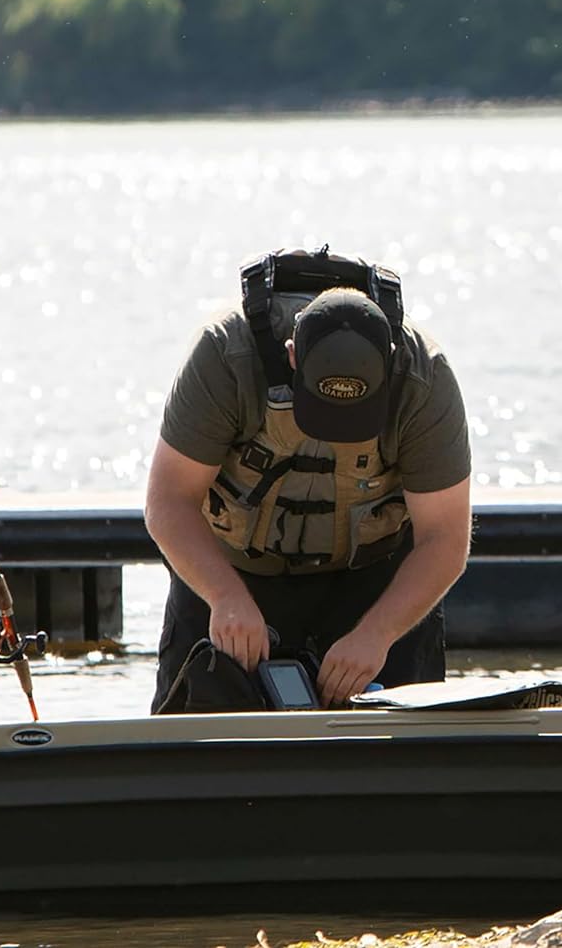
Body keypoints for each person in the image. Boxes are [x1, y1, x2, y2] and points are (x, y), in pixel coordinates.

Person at [144, 246, 471, 711]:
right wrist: (225, 597)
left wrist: (376, 635)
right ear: (292, 356)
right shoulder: (224, 355)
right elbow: (168, 502)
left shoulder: (425, 379)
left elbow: (444, 537)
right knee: (187, 747)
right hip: (232, 570)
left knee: (398, 756)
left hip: (372, 581)